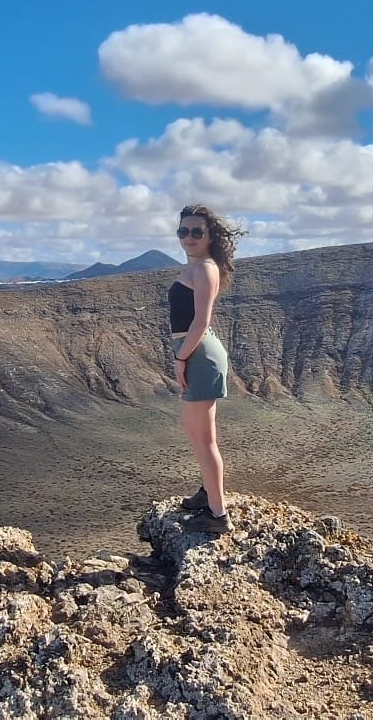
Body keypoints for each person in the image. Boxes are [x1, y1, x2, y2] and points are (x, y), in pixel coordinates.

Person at [169, 204, 240, 534]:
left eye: (197, 231)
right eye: (183, 231)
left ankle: (217, 514)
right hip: (194, 352)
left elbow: (202, 321)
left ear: (210, 236)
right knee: (193, 430)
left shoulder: (205, 269)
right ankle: (208, 492)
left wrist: (181, 357)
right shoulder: (196, 267)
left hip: (199, 355)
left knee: (204, 438)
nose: (189, 237)